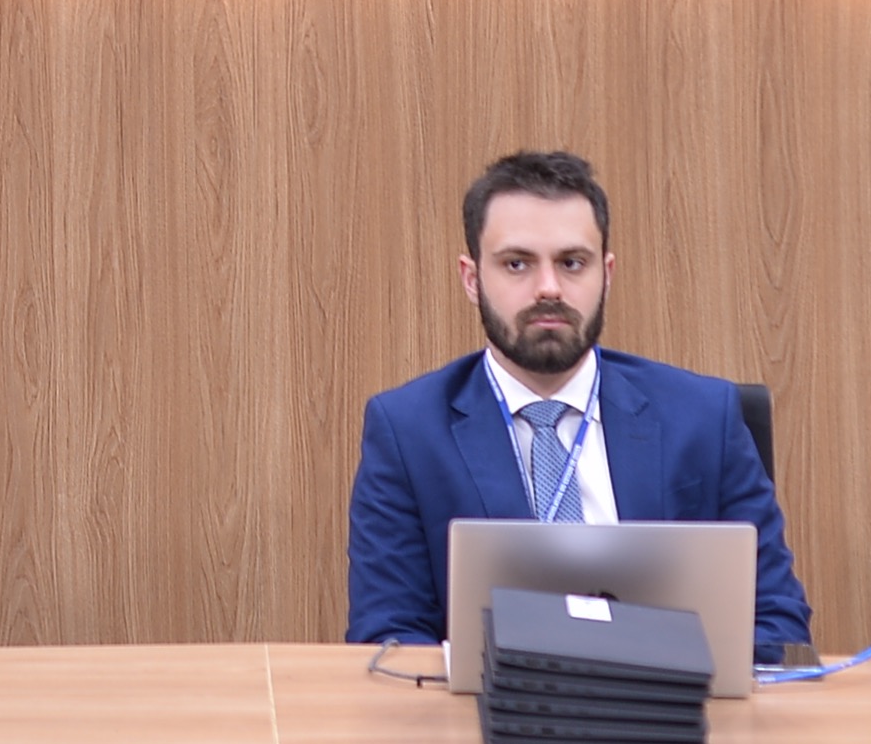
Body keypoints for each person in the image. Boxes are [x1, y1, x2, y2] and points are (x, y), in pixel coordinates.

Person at [347, 150, 812, 660]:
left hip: (669, 704)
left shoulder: (704, 418)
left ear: (606, 274)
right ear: (472, 278)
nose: (548, 289)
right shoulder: (408, 432)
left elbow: (777, 623)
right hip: (489, 708)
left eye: (572, 263)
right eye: (517, 264)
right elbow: (388, 636)